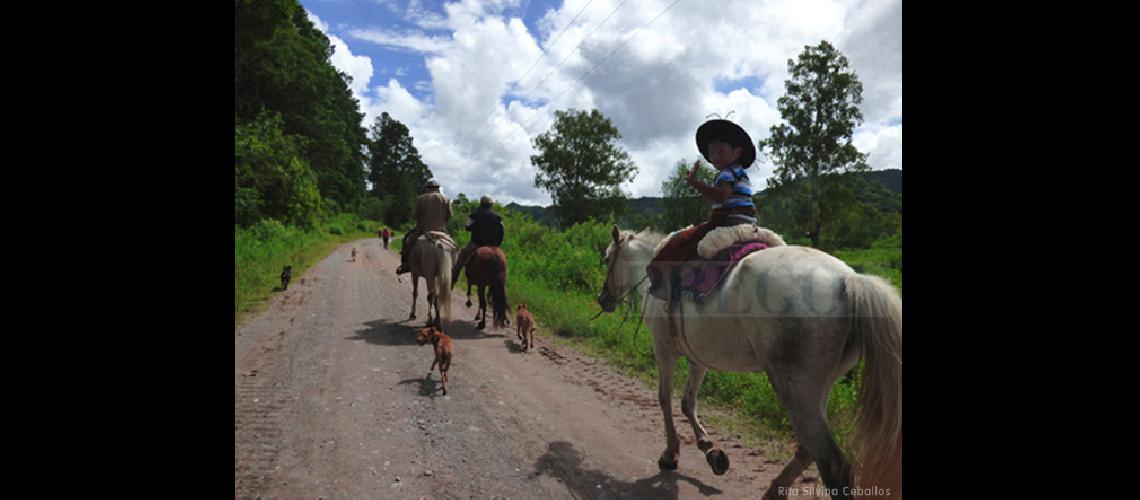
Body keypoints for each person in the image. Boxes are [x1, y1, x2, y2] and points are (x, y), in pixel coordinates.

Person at [646, 118, 758, 302]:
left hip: (727, 222)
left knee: (681, 241)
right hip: (748, 223)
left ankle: (676, 285)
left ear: (737, 152)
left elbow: (721, 196)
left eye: (721, 151)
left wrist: (695, 184)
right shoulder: (740, 172)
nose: (715, 157)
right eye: (712, 152)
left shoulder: (726, 174)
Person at [395, 180, 452, 274]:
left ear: (427, 188)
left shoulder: (421, 198)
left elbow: (416, 216)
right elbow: (449, 215)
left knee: (407, 241)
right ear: (438, 188)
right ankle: (453, 269)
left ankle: (405, 264)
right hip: (441, 231)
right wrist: (442, 223)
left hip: (423, 230)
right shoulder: (446, 199)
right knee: (453, 246)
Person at [451, 195, 504, 287]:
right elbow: (502, 230)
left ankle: (453, 279)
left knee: (462, 256)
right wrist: (498, 244)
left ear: (481, 203)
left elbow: (467, 227)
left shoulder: (474, 215)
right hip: (493, 245)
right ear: (491, 205)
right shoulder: (498, 217)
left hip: (476, 243)